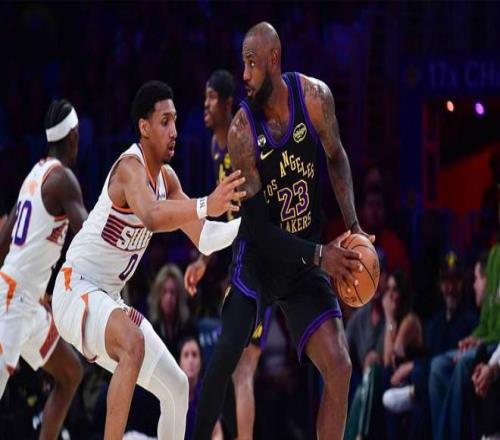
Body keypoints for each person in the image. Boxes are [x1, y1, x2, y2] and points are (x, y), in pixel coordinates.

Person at [194, 22, 373, 440]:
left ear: (273, 59)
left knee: (341, 367)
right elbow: (257, 230)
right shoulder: (242, 132)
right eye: (242, 65)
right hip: (259, 261)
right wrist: (320, 254)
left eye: (251, 64)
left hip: (304, 265)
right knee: (225, 357)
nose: (244, 75)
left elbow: (336, 157)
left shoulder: (314, 97)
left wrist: (354, 226)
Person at [51, 81, 245, 440]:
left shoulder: (167, 179)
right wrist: (206, 203)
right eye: (165, 122)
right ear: (144, 127)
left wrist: (249, 227)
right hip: (75, 288)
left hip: (107, 298)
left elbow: (204, 237)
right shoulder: (129, 167)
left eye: (176, 121)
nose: (174, 131)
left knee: (177, 387)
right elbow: (153, 217)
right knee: (133, 344)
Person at [184, 69, 270, 440]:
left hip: (261, 256)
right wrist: (204, 261)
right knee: (240, 368)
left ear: (228, 103)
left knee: (245, 367)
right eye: (204, 97)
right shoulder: (215, 146)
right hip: (242, 258)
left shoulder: (241, 139)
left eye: (211, 98)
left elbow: (259, 203)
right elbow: (221, 210)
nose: (205, 105)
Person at [0, 99, 87, 439]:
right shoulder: (63, 179)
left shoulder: (33, 176)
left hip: (26, 300)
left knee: (70, 373)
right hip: (13, 301)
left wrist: (37, 288)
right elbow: (87, 237)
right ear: (73, 136)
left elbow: (5, 240)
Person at [429, 243, 500, 439]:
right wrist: (475, 338)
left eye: (456, 280)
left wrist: (480, 341)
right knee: (437, 366)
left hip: (494, 347)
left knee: (463, 363)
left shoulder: (469, 317)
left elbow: (492, 333)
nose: (451, 287)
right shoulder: (435, 324)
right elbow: (486, 326)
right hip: (488, 343)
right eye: (446, 280)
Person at [179, 336, 223, 440]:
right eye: (186, 355)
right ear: (179, 362)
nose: (190, 360)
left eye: (194, 355)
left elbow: (217, 434)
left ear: (201, 361)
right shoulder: (171, 391)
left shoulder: (208, 392)